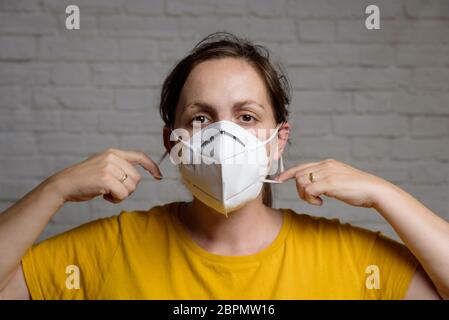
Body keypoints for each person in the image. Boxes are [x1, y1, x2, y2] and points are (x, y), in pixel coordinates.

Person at [0, 32, 448, 300]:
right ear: (172, 142)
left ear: (278, 141)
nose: (224, 135)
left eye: (247, 117)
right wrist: (53, 190)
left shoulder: (351, 258)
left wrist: (384, 195)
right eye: (201, 118)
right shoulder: (109, 248)